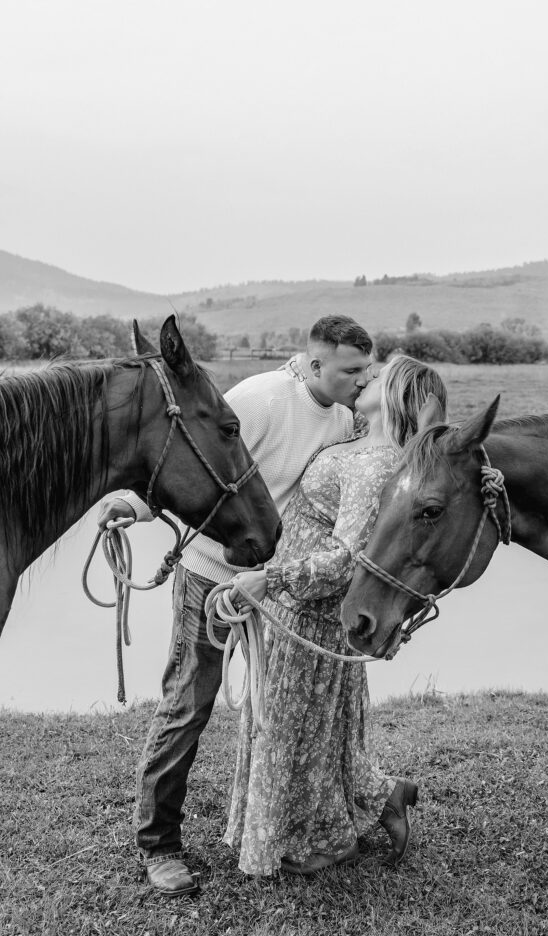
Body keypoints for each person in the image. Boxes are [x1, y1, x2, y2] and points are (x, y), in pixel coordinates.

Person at [97, 315, 375, 897]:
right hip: (212, 576)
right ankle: (158, 845)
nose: (361, 380)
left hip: (275, 585)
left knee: (275, 717)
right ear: (316, 363)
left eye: (366, 371)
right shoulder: (261, 398)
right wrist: (137, 506)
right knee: (189, 705)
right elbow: (186, 455)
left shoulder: (346, 420)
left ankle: (285, 824)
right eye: (351, 370)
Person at [223, 354, 448, 876]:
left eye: (380, 373)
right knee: (310, 734)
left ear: (398, 396)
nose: (367, 377)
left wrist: (272, 579)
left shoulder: (374, 465)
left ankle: (329, 835)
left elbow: (349, 559)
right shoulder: (356, 436)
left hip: (310, 611)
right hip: (296, 607)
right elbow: (310, 385)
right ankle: (377, 797)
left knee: (286, 734)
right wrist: (302, 367)